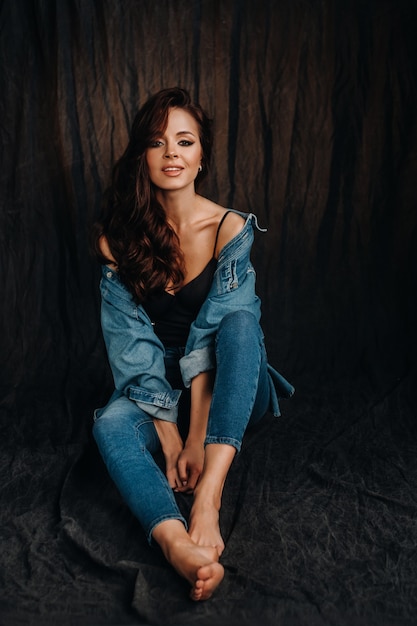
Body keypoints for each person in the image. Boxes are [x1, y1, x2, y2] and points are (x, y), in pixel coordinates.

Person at [91, 87, 294, 601]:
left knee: (242, 325)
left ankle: (208, 500)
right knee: (110, 423)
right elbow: (131, 345)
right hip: (155, 387)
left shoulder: (229, 228)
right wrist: (170, 439)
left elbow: (214, 335)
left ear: (202, 155)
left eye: (184, 142)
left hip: (228, 384)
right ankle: (175, 542)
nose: (172, 154)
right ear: (142, 154)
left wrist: (198, 442)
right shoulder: (118, 238)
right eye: (158, 143)